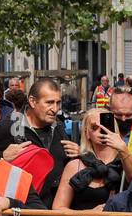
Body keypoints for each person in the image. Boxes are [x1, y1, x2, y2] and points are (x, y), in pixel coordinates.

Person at [6, 78, 79, 206]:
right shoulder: (11, 126)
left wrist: (78, 155)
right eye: (49, 102)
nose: (55, 109)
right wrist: (2, 158)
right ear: (33, 101)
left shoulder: (59, 127)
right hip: (24, 212)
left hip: (56, 212)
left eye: (58, 103)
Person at [52, 109, 126, 211]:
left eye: (106, 126)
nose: (101, 131)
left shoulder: (126, 162)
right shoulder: (75, 165)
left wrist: (124, 151)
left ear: (114, 129)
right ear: (87, 133)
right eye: (95, 127)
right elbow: (58, 209)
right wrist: (86, 215)